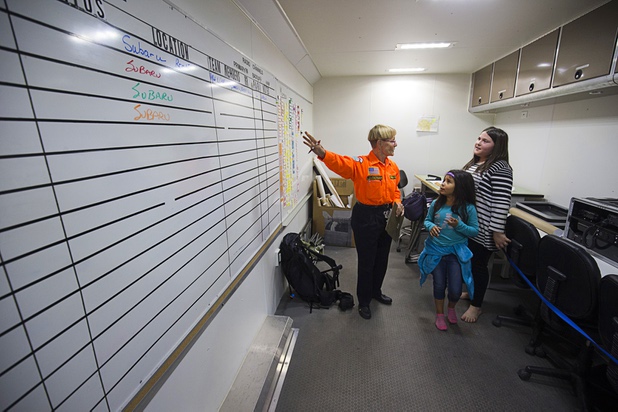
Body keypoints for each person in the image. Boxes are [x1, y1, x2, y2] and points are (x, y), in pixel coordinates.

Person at [303, 125, 404, 320]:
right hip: (366, 217)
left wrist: (398, 202)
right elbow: (340, 163)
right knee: (367, 262)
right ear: (379, 143)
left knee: (382, 259)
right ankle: (364, 301)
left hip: (387, 216)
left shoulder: (393, 167)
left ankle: (376, 291)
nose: (395, 144)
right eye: (392, 140)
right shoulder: (361, 164)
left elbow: (396, 190)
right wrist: (322, 153)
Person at [460, 126, 513, 323]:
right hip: (470, 225)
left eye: (485, 141)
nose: (478, 143)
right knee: (468, 262)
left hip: (484, 228)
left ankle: (476, 306)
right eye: (479, 138)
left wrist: (497, 231)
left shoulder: (500, 168)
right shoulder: (476, 163)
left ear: (497, 147)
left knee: (478, 265)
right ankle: (472, 292)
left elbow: (501, 202)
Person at [418, 170, 479, 331]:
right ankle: (439, 314)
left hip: (455, 254)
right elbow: (427, 220)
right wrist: (430, 227)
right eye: (444, 180)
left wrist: (459, 225)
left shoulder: (468, 208)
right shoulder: (438, 203)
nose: (442, 184)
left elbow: (474, 231)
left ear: (460, 187)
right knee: (439, 285)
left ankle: (451, 308)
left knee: (455, 289)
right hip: (436, 251)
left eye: (448, 181)